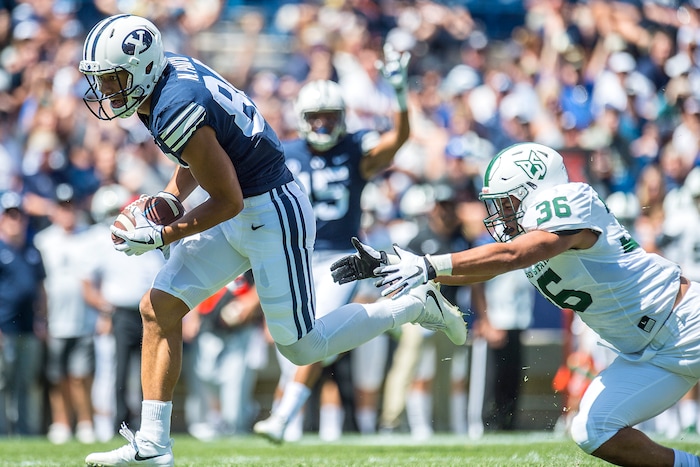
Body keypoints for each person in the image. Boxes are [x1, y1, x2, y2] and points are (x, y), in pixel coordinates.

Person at [78, 14, 464, 466]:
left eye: (113, 78)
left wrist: (162, 233)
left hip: (272, 212)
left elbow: (227, 201)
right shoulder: (168, 79)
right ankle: (153, 444)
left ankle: (416, 304)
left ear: (143, 68)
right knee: (159, 306)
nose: (106, 91)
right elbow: (201, 157)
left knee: (302, 346)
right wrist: (168, 198)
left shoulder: (174, 104)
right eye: (101, 80)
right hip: (247, 202)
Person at [332, 142, 700, 467]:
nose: (501, 213)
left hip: (685, 320)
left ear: (537, 189)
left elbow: (510, 255)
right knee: (593, 431)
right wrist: (397, 264)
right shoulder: (532, 234)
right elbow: (485, 270)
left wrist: (429, 264)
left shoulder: (572, 199)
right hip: (645, 353)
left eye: (508, 201)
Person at [253, 71, 410, 443]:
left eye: (330, 116)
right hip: (294, 256)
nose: (322, 124)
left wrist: (401, 96)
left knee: (314, 333)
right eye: (314, 116)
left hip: (341, 258)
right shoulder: (282, 152)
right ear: (300, 118)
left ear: (343, 117)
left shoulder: (355, 149)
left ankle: (283, 417)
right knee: (291, 348)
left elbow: (398, 139)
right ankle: (285, 423)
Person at [82, 183, 165, 440]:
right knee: (117, 371)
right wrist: (105, 310)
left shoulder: (148, 235)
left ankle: (146, 425)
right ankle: (119, 423)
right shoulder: (100, 240)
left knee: (148, 370)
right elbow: (86, 281)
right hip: (119, 313)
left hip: (147, 312)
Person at [33, 184, 97, 444]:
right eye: (62, 207)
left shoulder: (91, 237)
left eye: (70, 206)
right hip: (55, 320)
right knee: (57, 376)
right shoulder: (43, 241)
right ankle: (61, 422)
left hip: (85, 318)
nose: (67, 212)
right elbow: (39, 284)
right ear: (54, 211)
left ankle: (85, 422)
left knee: (81, 375)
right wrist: (42, 317)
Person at [0, 191, 47, 436]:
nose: (15, 220)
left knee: (27, 384)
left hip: (29, 328)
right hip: (4, 328)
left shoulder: (32, 250)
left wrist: (42, 320)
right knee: (2, 384)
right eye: (10, 215)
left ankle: (26, 431)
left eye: (19, 215)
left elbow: (40, 289)